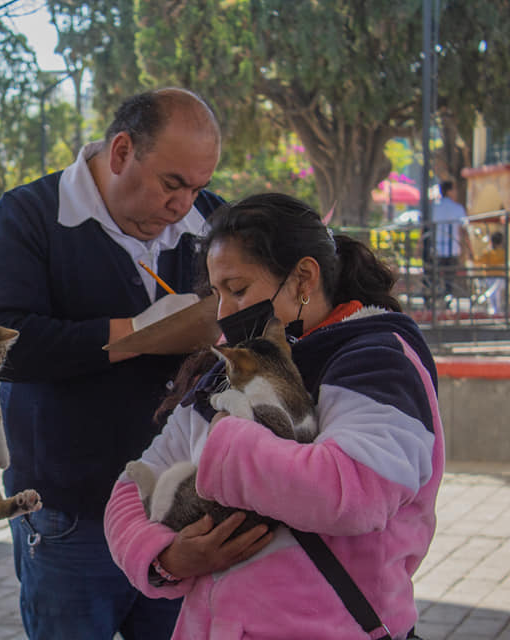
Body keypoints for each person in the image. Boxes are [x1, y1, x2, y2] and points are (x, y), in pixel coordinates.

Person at [0, 88, 247, 639]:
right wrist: (143, 335)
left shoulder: (210, 222)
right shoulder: (29, 215)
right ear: (121, 152)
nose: (183, 205)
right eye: (172, 184)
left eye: (198, 187)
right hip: (70, 511)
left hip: (180, 508)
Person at [105, 193, 443, 639]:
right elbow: (134, 484)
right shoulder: (228, 369)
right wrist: (166, 559)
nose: (224, 312)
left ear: (304, 278)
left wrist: (223, 447)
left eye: (238, 289)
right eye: (216, 293)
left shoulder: (377, 362)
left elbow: (352, 491)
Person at [429, 180, 472, 300]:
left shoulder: (433, 207)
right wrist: (468, 248)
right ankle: (447, 298)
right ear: (449, 191)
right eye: (454, 189)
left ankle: (436, 299)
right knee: (449, 278)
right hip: (453, 248)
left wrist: (419, 246)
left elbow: (427, 228)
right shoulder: (458, 208)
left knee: (435, 276)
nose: (456, 192)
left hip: (437, 248)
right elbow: (463, 230)